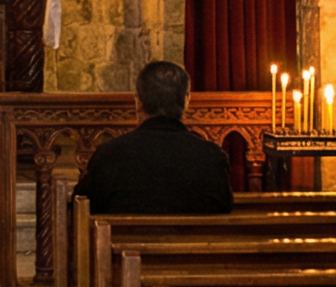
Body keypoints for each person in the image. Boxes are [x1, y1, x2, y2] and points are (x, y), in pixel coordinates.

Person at [74, 61, 234, 215]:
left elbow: (82, 205)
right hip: (197, 235)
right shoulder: (212, 157)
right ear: (186, 100)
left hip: (127, 235)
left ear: (138, 101)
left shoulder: (109, 154)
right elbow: (224, 207)